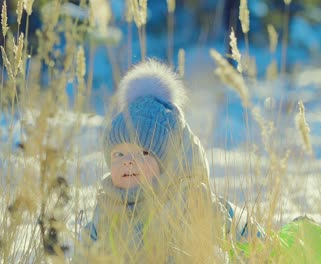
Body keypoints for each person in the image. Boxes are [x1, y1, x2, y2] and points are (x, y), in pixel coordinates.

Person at [80, 59, 264, 262]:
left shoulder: (188, 198)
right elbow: (85, 252)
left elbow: (237, 226)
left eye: (143, 153)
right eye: (119, 154)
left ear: (167, 161)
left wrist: (264, 251)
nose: (128, 162)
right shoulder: (107, 206)